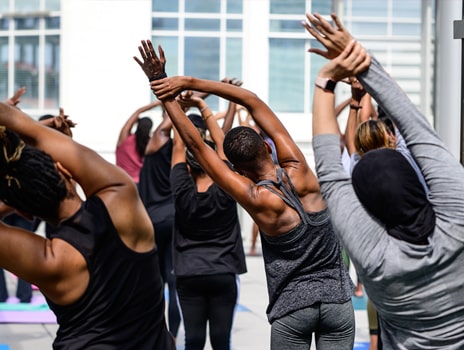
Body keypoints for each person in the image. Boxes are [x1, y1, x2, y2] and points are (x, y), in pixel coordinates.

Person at [134, 39, 355, 350]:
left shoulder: (257, 199)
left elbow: (196, 147)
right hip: (337, 303)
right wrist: (191, 82)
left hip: (292, 311)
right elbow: (251, 100)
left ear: (237, 168)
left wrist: (161, 86)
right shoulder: (300, 170)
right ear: (267, 147)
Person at [305, 12, 464, 349]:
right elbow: (417, 128)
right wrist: (360, 59)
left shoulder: (376, 258)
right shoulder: (458, 218)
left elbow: (331, 175)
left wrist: (325, 81)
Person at [0, 102, 175, 348]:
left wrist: (15, 198)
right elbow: (28, 129)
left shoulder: (51, 260)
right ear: (64, 168)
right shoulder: (120, 197)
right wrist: (43, 133)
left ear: (24, 214)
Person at [170, 92, 247, 350]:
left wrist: (177, 108)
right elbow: (221, 143)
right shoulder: (227, 187)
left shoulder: (181, 189)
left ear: (187, 167)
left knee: (193, 340)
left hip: (189, 272)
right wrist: (203, 106)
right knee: (221, 341)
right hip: (223, 271)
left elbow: (179, 145)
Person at [116, 100, 160, 183]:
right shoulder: (150, 144)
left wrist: (157, 103)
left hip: (122, 182)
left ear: (137, 124)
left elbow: (137, 112)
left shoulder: (125, 139)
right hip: (141, 184)